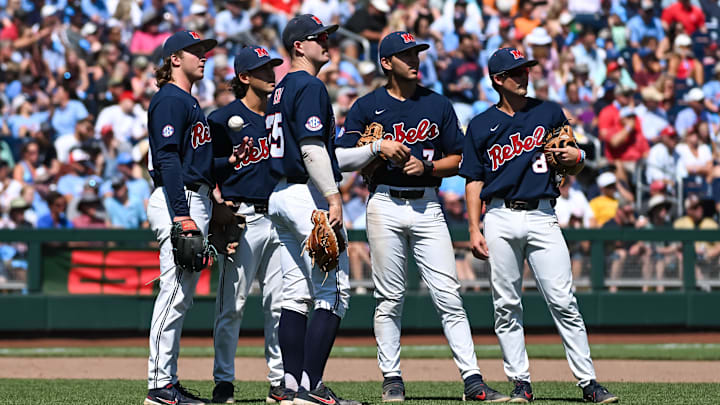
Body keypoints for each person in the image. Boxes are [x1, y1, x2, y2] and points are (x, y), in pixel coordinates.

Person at [336, 30, 505, 402]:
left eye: (417, 54)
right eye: (406, 55)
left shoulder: (438, 104)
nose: (414, 60)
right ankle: (392, 377)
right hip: (384, 202)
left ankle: (473, 380)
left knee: (449, 294)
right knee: (389, 297)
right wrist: (375, 148)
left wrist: (426, 165)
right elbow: (340, 158)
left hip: (428, 204)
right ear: (386, 62)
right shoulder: (367, 106)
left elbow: (460, 159)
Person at [461, 47, 618, 403]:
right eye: (516, 72)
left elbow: (576, 159)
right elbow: (473, 180)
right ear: (498, 80)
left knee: (564, 300)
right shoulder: (482, 124)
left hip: (543, 214)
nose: (524, 76)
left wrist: (575, 157)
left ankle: (588, 382)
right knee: (506, 304)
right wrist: (474, 227)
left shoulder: (548, 111)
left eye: (526, 69)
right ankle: (521, 382)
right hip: (499, 215)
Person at [143, 30, 249, 405]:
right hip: (182, 200)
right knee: (173, 295)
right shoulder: (171, 99)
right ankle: (159, 386)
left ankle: (166, 383)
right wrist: (182, 214)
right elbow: (168, 159)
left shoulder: (187, 101)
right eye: (196, 52)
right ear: (174, 59)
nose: (203, 57)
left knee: (181, 296)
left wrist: (228, 162)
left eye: (205, 51)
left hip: (194, 196)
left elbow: (195, 162)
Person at [265, 15, 359, 405]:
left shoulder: (280, 88)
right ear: (298, 46)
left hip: (280, 194)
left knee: (295, 294)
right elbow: (311, 148)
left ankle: (289, 386)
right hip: (306, 193)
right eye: (318, 37)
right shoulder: (309, 84)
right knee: (334, 292)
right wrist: (334, 197)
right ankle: (310, 387)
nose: (327, 42)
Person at [206, 45, 286, 404]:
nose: (271, 74)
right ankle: (224, 380)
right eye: (263, 69)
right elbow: (204, 172)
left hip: (280, 216)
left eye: (272, 67)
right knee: (232, 305)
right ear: (244, 77)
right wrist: (217, 210)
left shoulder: (281, 116)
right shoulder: (221, 120)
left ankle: (280, 380)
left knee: (280, 305)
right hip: (242, 218)